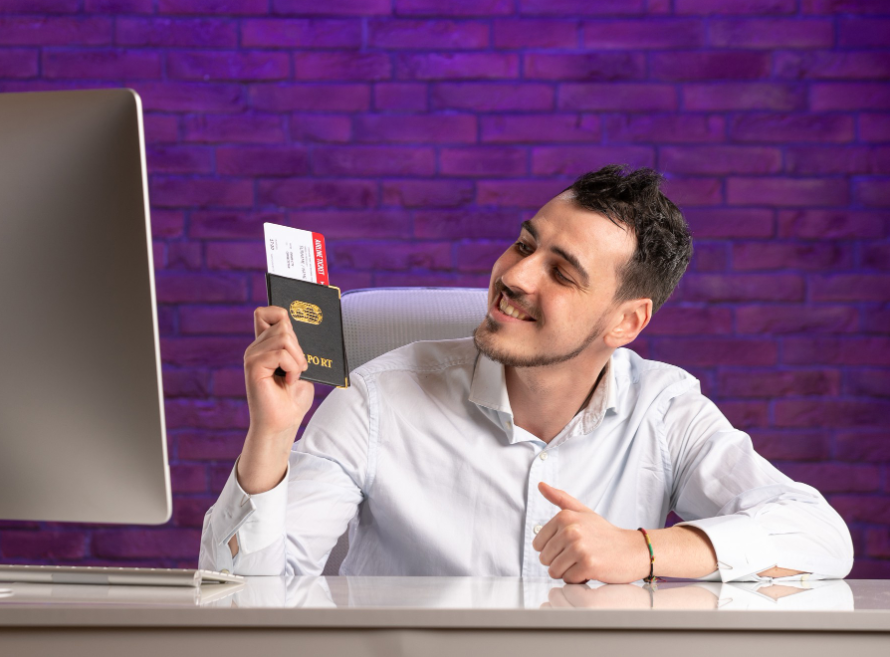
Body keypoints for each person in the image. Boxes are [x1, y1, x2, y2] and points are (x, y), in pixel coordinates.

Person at [199, 165, 853, 583]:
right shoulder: (378, 398)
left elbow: (822, 536)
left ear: (625, 323)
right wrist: (271, 438)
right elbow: (242, 595)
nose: (513, 276)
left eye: (561, 273)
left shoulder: (664, 409)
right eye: (523, 243)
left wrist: (646, 551)